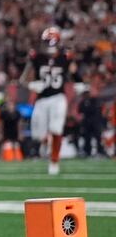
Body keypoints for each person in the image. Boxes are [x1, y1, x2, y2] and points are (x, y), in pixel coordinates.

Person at [21, 26, 79, 176]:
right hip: (42, 99)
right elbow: (23, 78)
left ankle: (54, 161)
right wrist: (31, 84)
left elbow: (74, 74)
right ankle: (45, 145)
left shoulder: (65, 58)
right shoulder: (37, 57)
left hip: (58, 98)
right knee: (38, 134)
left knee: (56, 130)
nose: (49, 47)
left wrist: (79, 83)